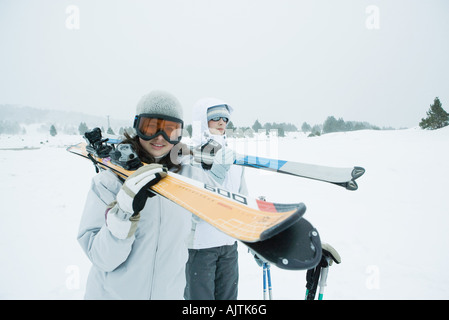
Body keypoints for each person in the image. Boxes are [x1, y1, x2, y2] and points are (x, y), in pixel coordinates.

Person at [77, 90, 217, 299]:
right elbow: (102, 259)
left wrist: (207, 168)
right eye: (150, 127)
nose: (159, 138)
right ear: (137, 127)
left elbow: (214, 213)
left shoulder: (189, 177)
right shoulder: (110, 181)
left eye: (170, 130)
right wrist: (122, 215)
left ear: (179, 134)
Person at [184, 98, 248, 300]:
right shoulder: (188, 156)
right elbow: (188, 204)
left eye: (225, 119)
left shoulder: (234, 157)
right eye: (214, 118)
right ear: (202, 121)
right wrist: (215, 176)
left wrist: (252, 238)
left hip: (229, 244)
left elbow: (243, 198)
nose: (221, 122)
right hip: (201, 247)